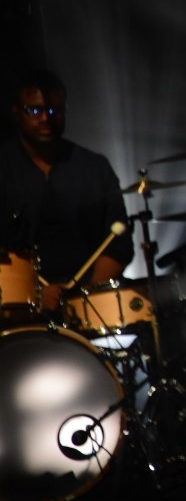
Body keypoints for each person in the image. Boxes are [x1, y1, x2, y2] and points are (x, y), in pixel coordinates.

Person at [0, 68, 134, 317]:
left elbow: (119, 244)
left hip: (88, 307)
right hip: (16, 310)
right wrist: (36, 293)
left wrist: (81, 294)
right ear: (16, 111)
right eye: (35, 110)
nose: (45, 119)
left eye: (55, 111)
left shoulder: (95, 167)